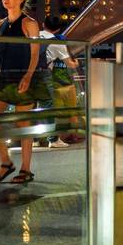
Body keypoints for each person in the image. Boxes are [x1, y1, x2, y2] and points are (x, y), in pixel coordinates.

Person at [0, 0, 51, 184]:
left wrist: (28, 76)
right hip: (4, 77)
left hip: (23, 76)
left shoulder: (29, 23)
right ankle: (6, 162)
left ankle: (26, 169)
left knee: (23, 124)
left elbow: (35, 53)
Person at [40, 15, 80, 148]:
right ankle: (53, 139)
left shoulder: (34, 35)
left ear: (43, 24)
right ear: (57, 29)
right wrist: (76, 63)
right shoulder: (57, 42)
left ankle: (36, 138)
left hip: (27, 71)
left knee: (33, 106)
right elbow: (70, 64)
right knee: (48, 106)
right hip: (43, 74)